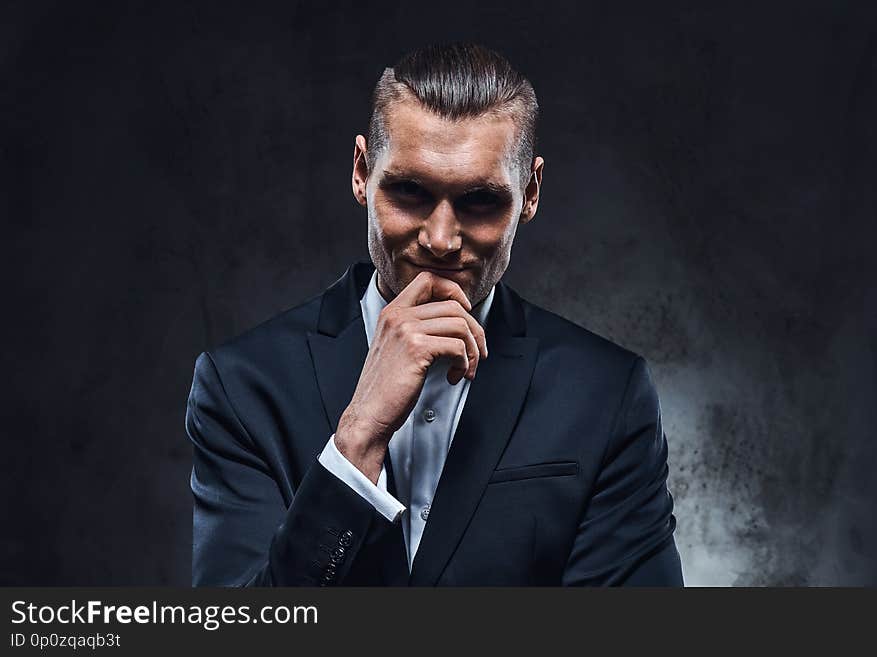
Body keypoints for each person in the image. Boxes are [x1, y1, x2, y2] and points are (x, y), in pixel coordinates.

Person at [185, 42, 684, 586]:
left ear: (531, 193)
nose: (441, 240)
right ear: (361, 173)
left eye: (480, 200)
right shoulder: (241, 385)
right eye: (410, 192)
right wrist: (357, 439)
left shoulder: (606, 393)